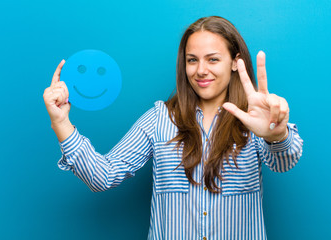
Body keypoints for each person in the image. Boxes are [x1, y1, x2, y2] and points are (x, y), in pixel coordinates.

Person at [43, 16, 303, 240]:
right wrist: (61, 122)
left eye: (213, 59)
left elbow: (284, 162)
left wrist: (277, 134)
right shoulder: (159, 118)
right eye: (192, 60)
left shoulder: (255, 118)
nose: (201, 70)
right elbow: (103, 176)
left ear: (235, 62)